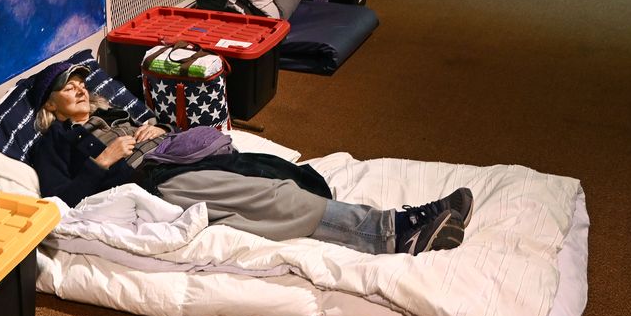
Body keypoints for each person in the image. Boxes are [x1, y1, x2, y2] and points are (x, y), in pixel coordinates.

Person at [26, 63, 473, 256]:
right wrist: (103, 160)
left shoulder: (115, 111)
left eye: (82, 82)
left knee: (285, 173)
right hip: (155, 182)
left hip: (175, 159)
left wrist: (160, 130)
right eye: (70, 88)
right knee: (271, 195)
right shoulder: (55, 143)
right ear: (51, 105)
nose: (82, 89)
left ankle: (394, 225)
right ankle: (393, 231)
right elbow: (58, 201)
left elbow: (167, 133)